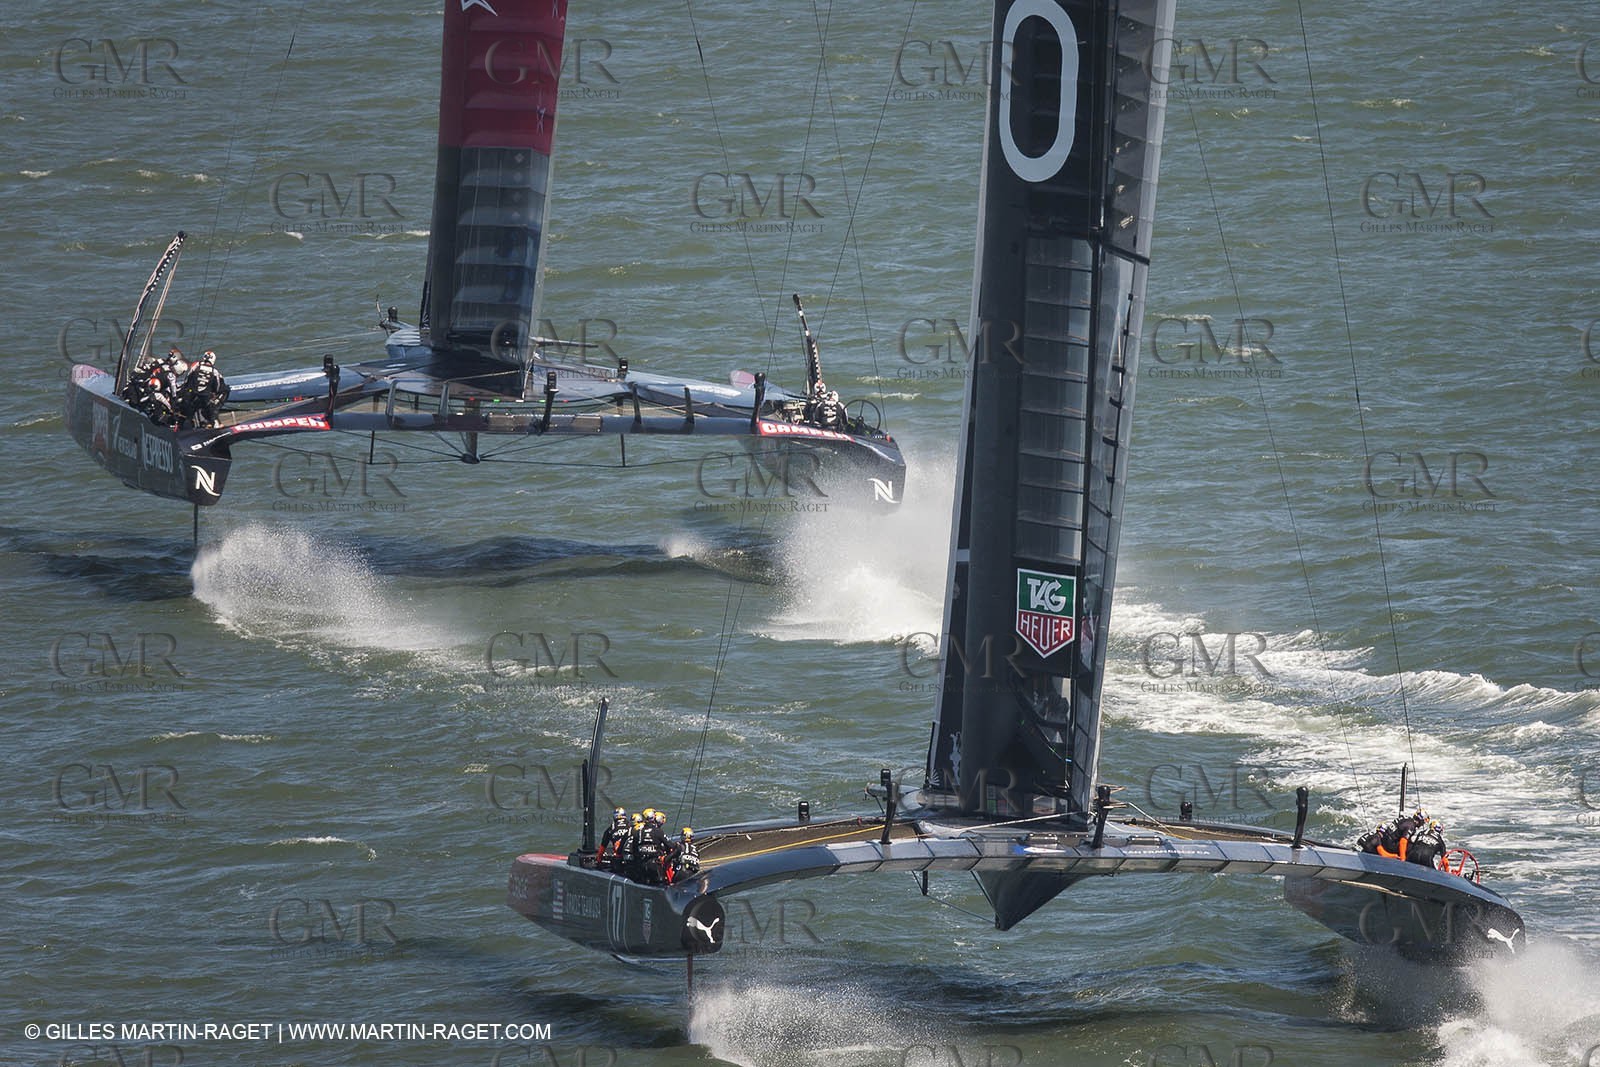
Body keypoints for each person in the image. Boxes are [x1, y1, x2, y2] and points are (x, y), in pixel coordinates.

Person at [178, 349, 229, 429]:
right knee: (225, 391)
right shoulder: (215, 372)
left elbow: (187, 381)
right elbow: (218, 388)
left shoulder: (195, 367)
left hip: (192, 396)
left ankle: (187, 422)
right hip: (205, 398)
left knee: (188, 404)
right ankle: (214, 422)